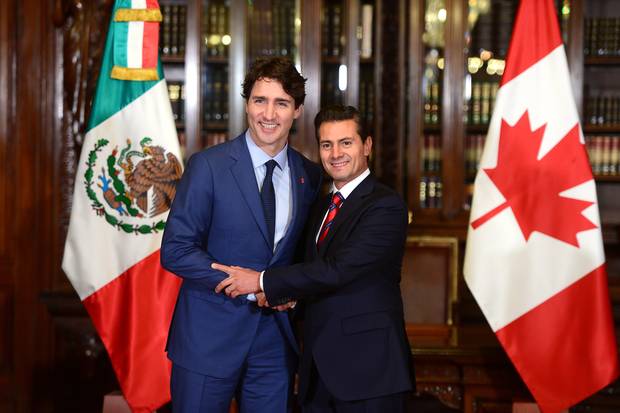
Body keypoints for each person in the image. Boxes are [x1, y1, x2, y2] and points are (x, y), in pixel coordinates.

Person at [214, 105, 413, 413]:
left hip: (369, 373)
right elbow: (314, 273)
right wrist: (291, 298)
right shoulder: (320, 205)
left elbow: (338, 270)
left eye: (346, 142)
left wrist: (261, 280)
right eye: (326, 144)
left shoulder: (385, 206)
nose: (336, 153)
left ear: (367, 146)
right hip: (317, 370)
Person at [161, 57, 322, 413]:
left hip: (275, 345)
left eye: (281, 103)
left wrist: (286, 289)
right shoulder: (208, 166)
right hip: (207, 339)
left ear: (297, 110)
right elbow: (175, 249)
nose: (269, 114)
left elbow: (306, 258)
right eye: (259, 100)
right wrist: (247, 284)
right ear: (246, 104)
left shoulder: (310, 176)